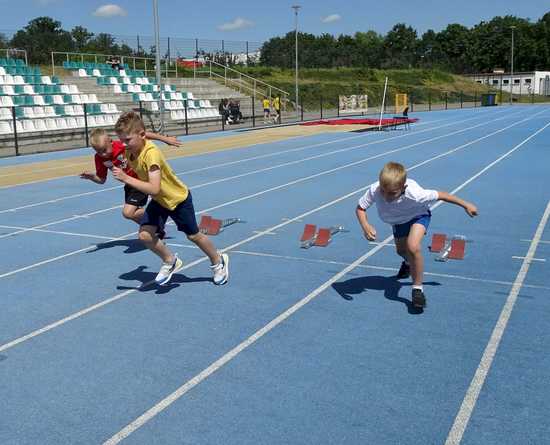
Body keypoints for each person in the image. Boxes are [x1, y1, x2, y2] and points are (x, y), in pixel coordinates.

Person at [111, 111, 229, 286]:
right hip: (159, 201)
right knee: (145, 235)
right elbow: (143, 134)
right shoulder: (131, 148)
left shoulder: (151, 154)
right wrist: (164, 138)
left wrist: (126, 178)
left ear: (140, 136)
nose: (123, 144)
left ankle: (219, 261)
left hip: (177, 199)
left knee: (194, 236)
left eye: (127, 140)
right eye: (122, 139)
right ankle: (170, 260)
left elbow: (154, 187)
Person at [355, 162, 478, 309]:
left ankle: (417, 290)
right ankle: (408, 263)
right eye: (383, 191)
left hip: (418, 216)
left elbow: (443, 195)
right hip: (398, 222)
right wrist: (365, 226)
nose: (386, 196)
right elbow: (360, 208)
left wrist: (466, 205)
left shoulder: (416, 194)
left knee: (412, 246)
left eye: (392, 193)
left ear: (403, 188)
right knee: (401, 251)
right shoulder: (375, 189)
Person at [80, 128, 182, 232]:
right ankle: (156, 227)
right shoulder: (99, 158)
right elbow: (101, 180)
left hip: (141, 179)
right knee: (130, 214)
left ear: (110, 141)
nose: (103, 154)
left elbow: (143, 135)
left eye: (104, 150)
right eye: (98, 151)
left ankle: (157, 215)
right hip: (129, 184)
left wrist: (165, 139)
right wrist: (92, 177)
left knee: (127, 212)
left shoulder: (121, 145)